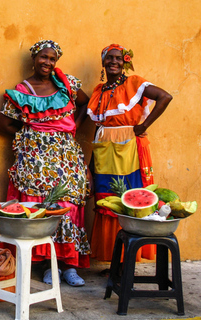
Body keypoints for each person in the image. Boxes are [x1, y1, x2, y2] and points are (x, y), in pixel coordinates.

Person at [0, 40, 92, 287]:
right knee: (41, 208)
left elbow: (85, 102)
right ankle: (48, 265)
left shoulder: (67, 85)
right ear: (34, 59)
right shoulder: (23, 89)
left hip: (66, 156)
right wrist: (33, 131)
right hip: (35, 159)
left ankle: (69, 265)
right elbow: (3, 124)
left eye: (52, 59)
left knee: (68, 205)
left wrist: (75, 126)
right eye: (43, 57)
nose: (47, 63)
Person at [87, 44, 172, 262]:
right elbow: (99, 127)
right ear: (103, 62)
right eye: (109, 58)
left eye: (118, 58)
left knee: (128, 198)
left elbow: (165, 97)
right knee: (107, 199)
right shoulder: (99, 91)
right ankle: (114, 258)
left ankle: (127, 259)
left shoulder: (134, 83)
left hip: (129, 148)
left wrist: (144, 126)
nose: (113, 62)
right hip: (104, 150)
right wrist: (90, 165)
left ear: (125, 62)